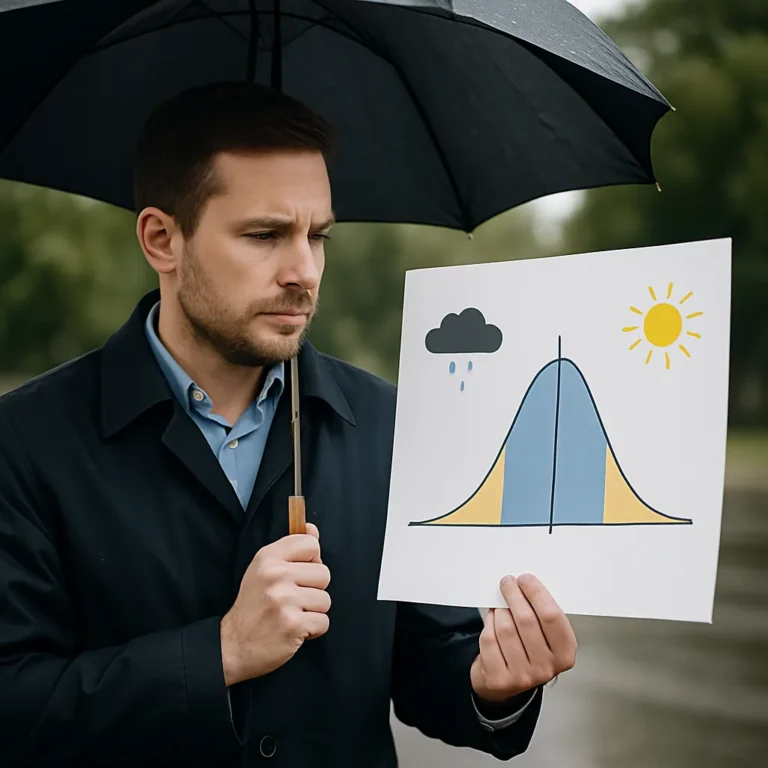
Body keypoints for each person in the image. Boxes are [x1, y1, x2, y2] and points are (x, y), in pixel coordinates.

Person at [0, 82, 577, 767]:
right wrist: (220, 652)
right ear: (162, 239)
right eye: (265, 235)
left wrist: (493, 685)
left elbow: (432, 667)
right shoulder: (25, 442)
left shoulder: (391, 426)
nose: (304, 271)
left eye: (318, 235)